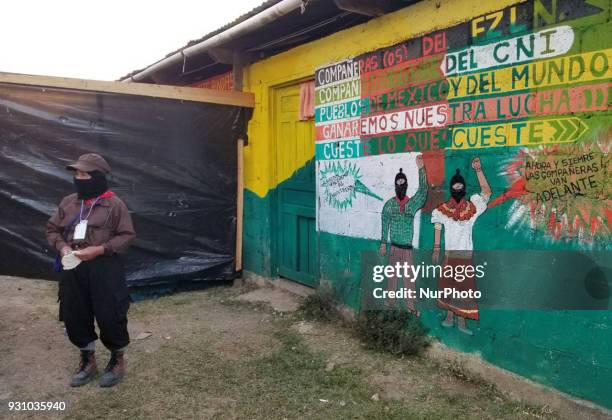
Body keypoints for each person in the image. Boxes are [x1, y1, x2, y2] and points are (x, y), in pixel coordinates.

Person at [46, 153, 136, 387]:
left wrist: (99, 250)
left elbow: (126, 236)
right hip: (73, 267)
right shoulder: (68, 202)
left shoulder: (114, 204)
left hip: (105, 268)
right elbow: (52, 230)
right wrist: (63, 246)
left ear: (97, 177)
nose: (78, 178)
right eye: (76, 174)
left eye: (84, 174)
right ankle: (88, 360)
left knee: (110, 314)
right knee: (75, 313)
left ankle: (117, 360)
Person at [431, 157, 491, 335]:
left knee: (464, 291)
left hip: (465, 258)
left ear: (463, 189)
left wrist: (478, 170)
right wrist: (436, 249)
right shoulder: (443, 210)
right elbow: (437, 226)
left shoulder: (472, 209)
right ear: (451, 189)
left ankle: (462, 322)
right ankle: (449, 317)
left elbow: (487, 192)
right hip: (450, 257)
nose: (457, 189)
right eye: (454, 187)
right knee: (449, 288)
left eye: (460, 187)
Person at [379, 155, 428, 315]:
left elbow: (422, 192)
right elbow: (385, 221)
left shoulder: (411, 204)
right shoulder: (390, 205)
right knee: (392, 277)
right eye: (398, 183)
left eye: (403, 183)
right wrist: (383, 242)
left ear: (406, 185)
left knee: (408, 278)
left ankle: (410, 306)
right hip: (393, 247)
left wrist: (421, 169)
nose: (400, 186)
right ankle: (390, 302)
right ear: (395, 185)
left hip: (407, 249)